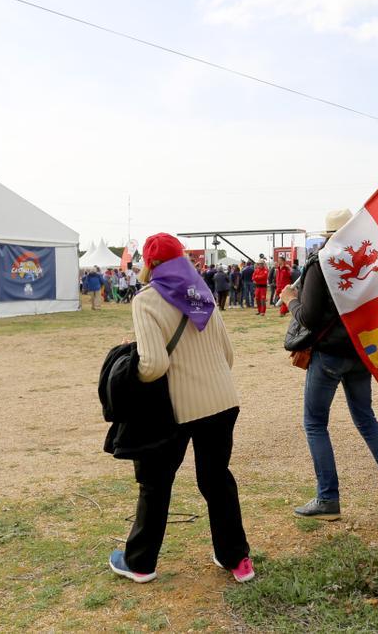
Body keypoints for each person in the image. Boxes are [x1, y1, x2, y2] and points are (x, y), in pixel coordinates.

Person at [108, 233, 254, 584]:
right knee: (217, 480)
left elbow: (154, 365)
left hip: (175, 408)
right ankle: (237, 560)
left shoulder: (146, 300)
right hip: (222, 400)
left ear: (149, 263)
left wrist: (132, 367)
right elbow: (228, 354)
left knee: (156, 484)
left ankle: (140, 563)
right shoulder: (201, 292)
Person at [280, 209, 378, 520]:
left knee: (315, 424)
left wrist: (290, 299)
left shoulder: (322, 262)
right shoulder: (371, 261)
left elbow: (309, 317)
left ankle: (327, 498)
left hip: (329, 354)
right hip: (360, 351)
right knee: (366, 419)